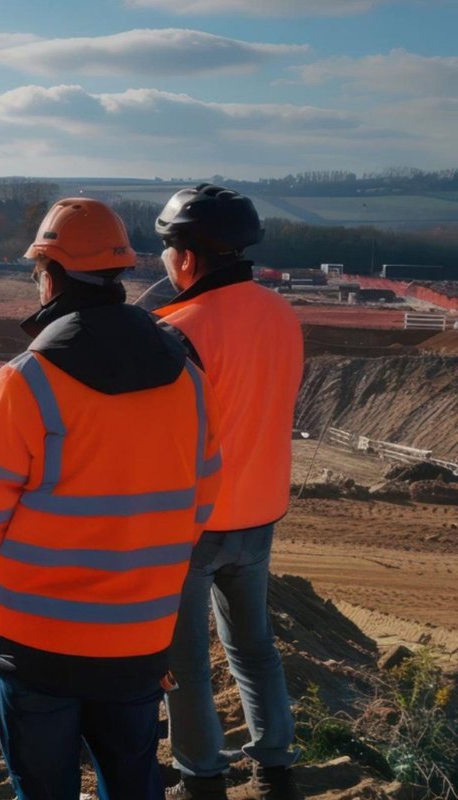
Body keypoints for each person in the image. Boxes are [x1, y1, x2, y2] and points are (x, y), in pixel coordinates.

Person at [0, 198, 222, 800]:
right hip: (139, 636)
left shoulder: (29, 378)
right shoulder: (187, 377)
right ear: (120, 273)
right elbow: (202, 497)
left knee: (43, 788)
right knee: (131, 780)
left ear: (50, 274)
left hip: (35, 639)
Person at [151, 185, 304, 800]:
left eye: (165, 250)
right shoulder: (282, 314)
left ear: (185, 258)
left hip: (193, 521)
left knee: (185, 664)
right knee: (254, 648)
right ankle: (275, 770)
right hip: (260, 511)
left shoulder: (175, 330)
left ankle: (202, 778)